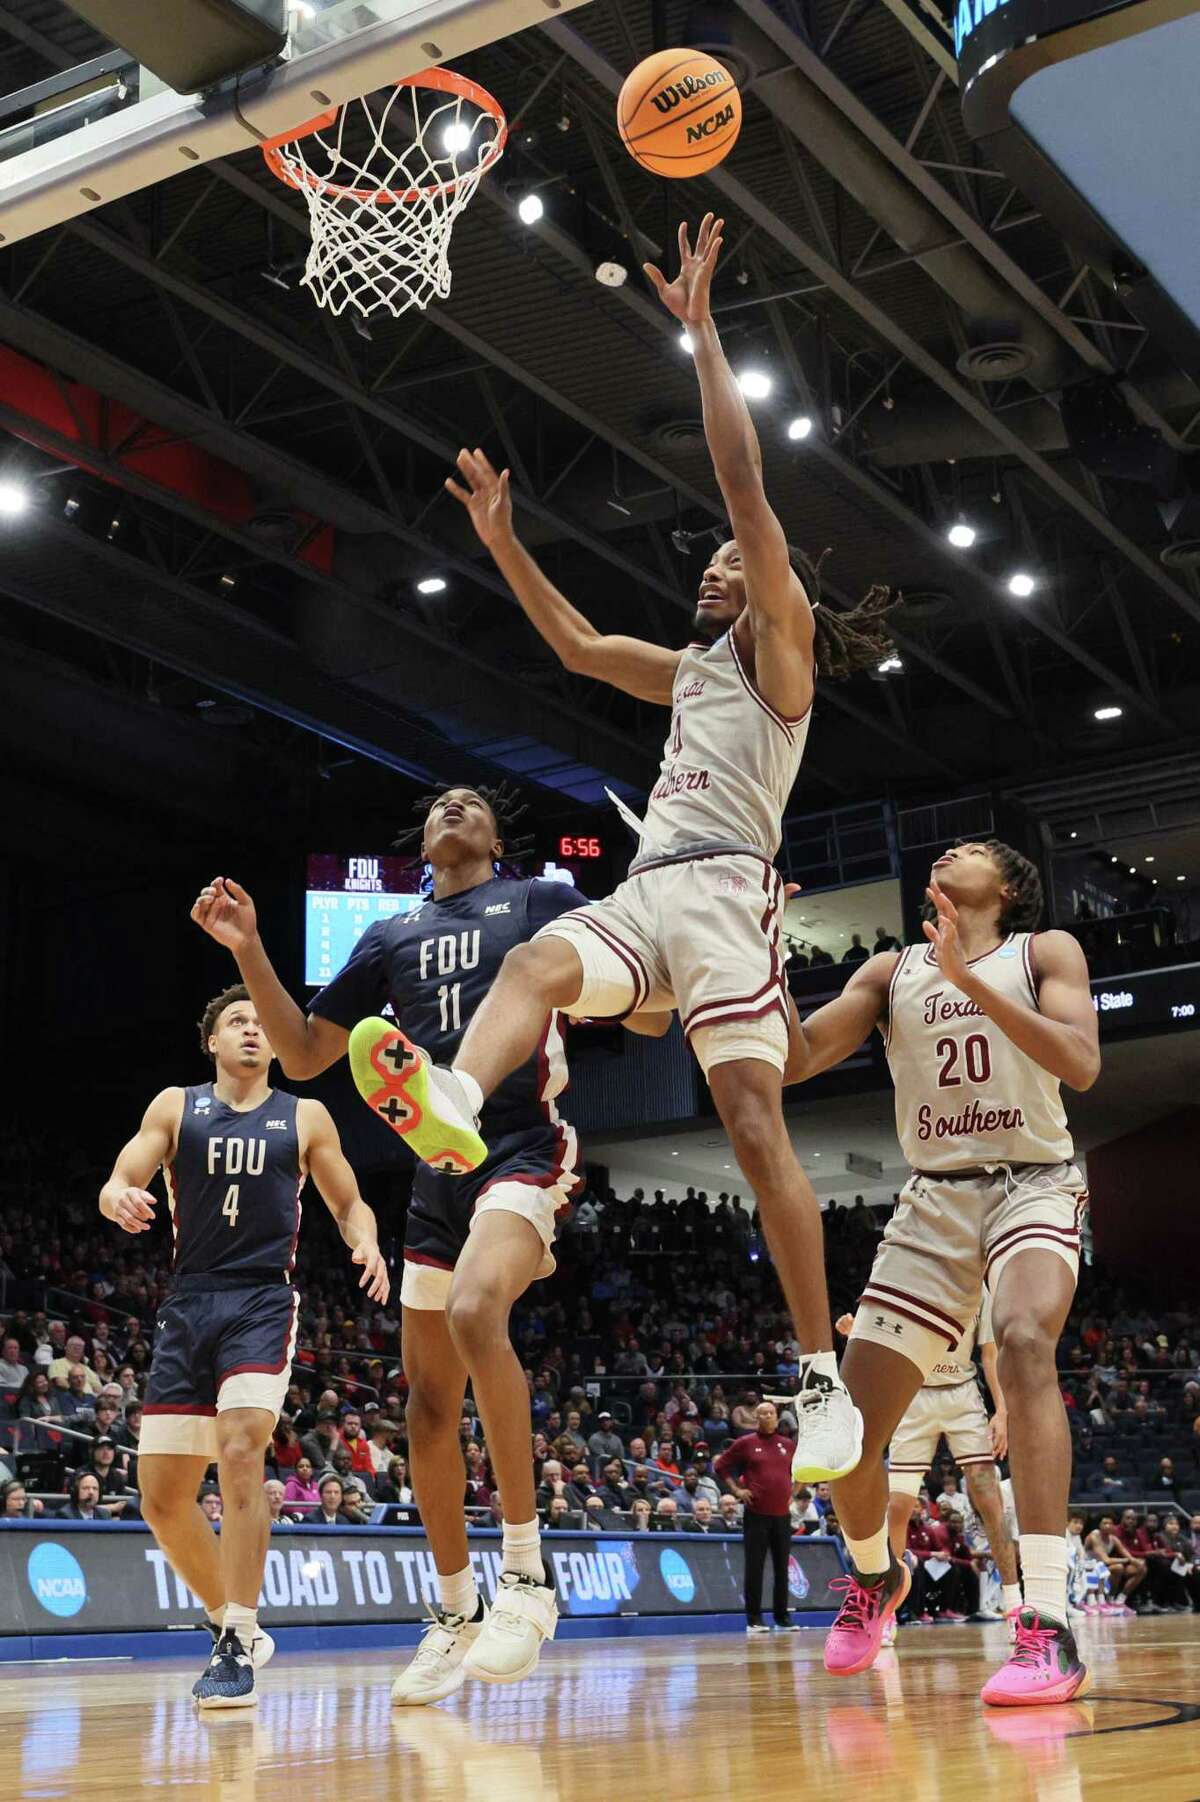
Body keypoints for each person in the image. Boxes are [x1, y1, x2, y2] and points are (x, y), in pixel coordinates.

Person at [401, 215, 901, 1494]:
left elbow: (742, 481)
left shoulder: (778, 655)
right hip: (651, 888)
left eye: (740, 560)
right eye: (721, 563)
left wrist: (703, 332)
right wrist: (505, 538)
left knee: (749, 1117)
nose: (722, 562)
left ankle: (814, 1368)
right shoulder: (686, 671)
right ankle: (458, 1095)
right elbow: (573, 647)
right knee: (535, 963)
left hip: (733, 892)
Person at [191, 791, 663, 1706]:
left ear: (496, 840)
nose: (453, 805)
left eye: (473, 802)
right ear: (424, 842)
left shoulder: (540, 904)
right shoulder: (389, 934)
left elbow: (643, 1016)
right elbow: (302, 1052)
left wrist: (673, 957)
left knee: (479, 1309)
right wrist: (248, 948)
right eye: (440, 803)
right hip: (435, 1175)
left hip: (523, 1142)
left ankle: (526, 1576)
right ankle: (454, 1613)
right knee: (425, 1410)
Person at [788, 838, 1098, 1705]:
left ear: (1006, 886)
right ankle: (875, 1577)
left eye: (971, 847)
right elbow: (794, 1059)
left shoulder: (1045, 952)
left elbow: (1081, 1063)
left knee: (1027, 1342)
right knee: (847, 1429)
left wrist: (968, 979)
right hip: (934, 1197)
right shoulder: (892, 970)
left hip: (1031, 1183)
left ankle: (1044, 1620)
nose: (949, 849)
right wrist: (758, 945)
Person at [99, 983, 388, 1709]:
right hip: (189, 1300)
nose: (254, 1031)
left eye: (262, 1023)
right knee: (161, 1498)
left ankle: (237, 1638)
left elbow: (348, 1201)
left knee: (239, 1445)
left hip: (260, 1298)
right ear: (213, 1043)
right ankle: (231, 1620)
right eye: (237, 1022)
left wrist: (368, 1243)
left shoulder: (305, 1115)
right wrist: (116, 1195)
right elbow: (126, 1171)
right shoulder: (176, 1105)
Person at [837, 1296, 1023, 1625]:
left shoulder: (981, 1288)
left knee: (990, 1501)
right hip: (915, 1396)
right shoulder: (914, 1275)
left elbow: (990, 1355)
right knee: (896, 1508)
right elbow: (890, 1341)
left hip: (962, 1396)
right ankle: (886, 1611)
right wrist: (856, 1336)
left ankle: (1014, 1605)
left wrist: (1003, 1411)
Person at [714, 1400, 799, 1634]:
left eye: (770, 1413)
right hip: (756, 1515)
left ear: (776, 1416)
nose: (766, 1417)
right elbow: (720, 1466)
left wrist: (797, 1490)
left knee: (783, 1568)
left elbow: (802, 1470)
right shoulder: (745, 1443)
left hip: (782, 1516)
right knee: (755, 1567)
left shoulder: (788, 1445)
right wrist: (737, 1490)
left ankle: (782, 1617)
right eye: (762, 1414)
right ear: (756, 1418)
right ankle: (754, 1619)